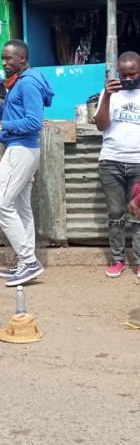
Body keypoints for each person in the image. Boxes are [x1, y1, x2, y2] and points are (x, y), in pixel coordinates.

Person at [0, 39, 54, 287]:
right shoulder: (20, 83)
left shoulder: (28, 83)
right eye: (3, 58)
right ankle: (26, 263)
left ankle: (29, 260)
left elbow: (34, 122)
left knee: (2, 206)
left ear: (22, 58)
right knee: (22, 208)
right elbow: (17, 116)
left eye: (9, 58)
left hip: (21, 150)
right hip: (24, 150)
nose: (4, 62)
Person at [95, 51, 140, 278]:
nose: (128, 79)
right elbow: (101, 126)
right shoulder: (109, 93)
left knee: (138, 213)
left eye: (133, 74)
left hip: (138, 162)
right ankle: (118, 259)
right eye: (124, 75)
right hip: (111, 161)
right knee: (115, 213)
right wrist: (108, 97)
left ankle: (139, 262)